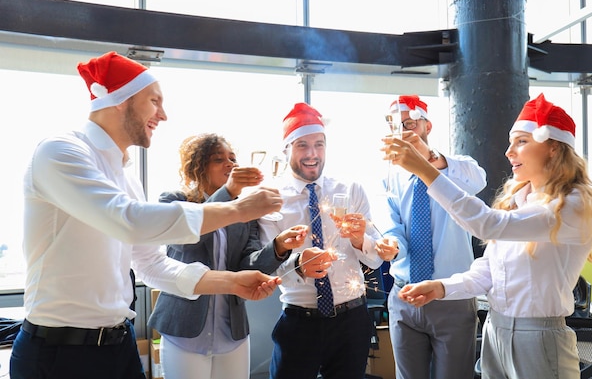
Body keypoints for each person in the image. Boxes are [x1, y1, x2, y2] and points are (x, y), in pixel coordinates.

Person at [10, 51, 283, 379]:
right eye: (154, 101)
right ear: (120, 100)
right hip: (59, 354)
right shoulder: (61, 151)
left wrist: (230, 282)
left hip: (118, 346)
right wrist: (237, 209)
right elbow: (128, 221)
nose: (163, 115)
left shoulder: (126, 175)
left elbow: (151, 264)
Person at [382, 93, 592, 379]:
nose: (509, 152)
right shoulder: (518, 200)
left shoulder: (571, 206)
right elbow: (487, 272)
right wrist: (441, 287)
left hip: (538, 336)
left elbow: (486, 224)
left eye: (521, 142)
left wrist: (425, 170)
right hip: (495, 330)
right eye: (510, 142)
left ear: (553, 147)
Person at [258, 103, 396, 379]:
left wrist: (359, 240)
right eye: (302, 145)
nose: (312, 154)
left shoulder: (351, 190)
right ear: (286, 150)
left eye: (319, 145)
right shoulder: (271, 199)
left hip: (351, 320)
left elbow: (374, 258)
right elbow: (267, 268)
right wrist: (298, 266)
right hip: (299, 321)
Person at [148, 133, 301, 379]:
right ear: (198, 167)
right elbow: (185, 244)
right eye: (219, 159)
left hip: (232, 333)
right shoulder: (175, 201)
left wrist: (278, 246)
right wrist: (229, 194)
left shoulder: (245, 213)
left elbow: (247, 265)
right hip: (184, 332)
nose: (230, 164)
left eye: (232, 158)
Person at [380, 94, 487, 379]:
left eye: (409, 124)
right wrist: (391, 246)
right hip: (403, 295)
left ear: (427, 126)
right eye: (395, 126)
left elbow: (479, 179)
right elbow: (394, 228)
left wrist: (428, 159)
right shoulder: (390, 178)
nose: (402, 131)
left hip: (451, 296)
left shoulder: (455, 167)